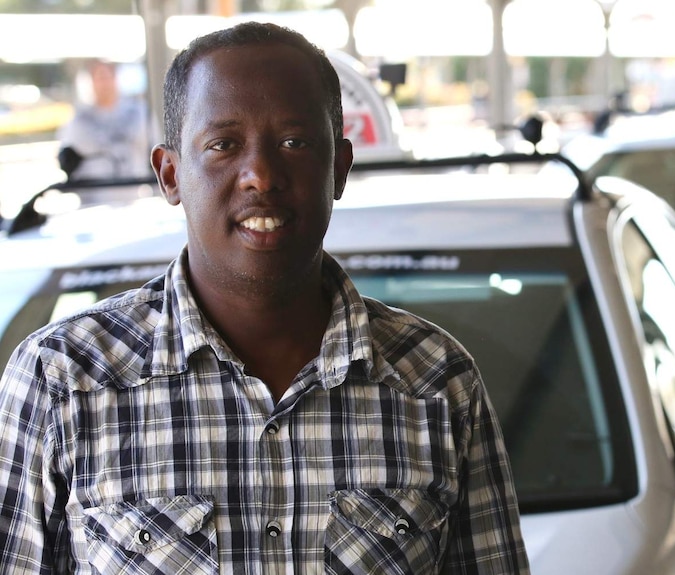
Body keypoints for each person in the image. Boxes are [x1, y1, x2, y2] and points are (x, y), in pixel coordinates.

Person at [0, 22, 531, 574]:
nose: (261, 175)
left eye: (294, 142)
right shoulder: (61, 380)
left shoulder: (437, 384)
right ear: (170, 173)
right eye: (223, 144)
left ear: (340, 168)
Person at [56, 59, 150, 180]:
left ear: (115, 78)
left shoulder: (138, 112)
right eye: (99, 78)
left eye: (107, 77)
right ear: (92, 81)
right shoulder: (80, 119)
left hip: (133, 190)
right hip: (94, 193)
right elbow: (68, 157)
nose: (104, 83)